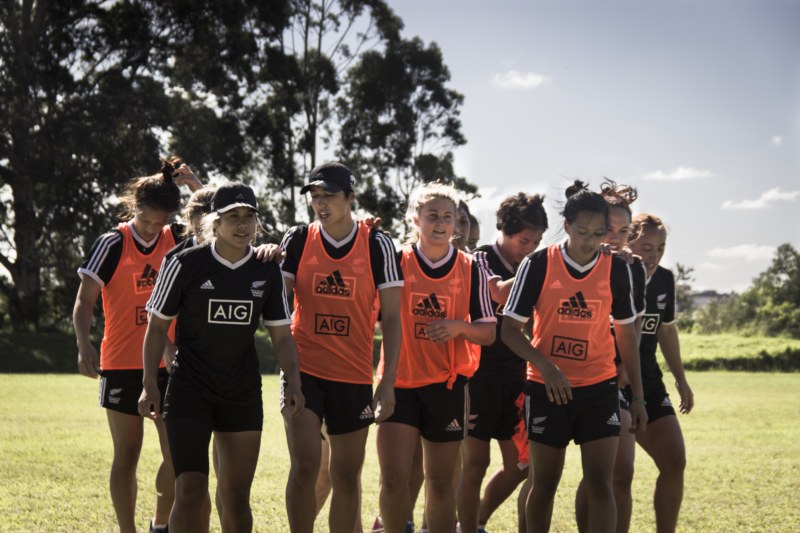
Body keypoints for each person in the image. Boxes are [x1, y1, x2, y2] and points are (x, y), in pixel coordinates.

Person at [139, 182, 304, 533]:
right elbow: (156, 329)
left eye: (249, 217)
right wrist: (149, 384)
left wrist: (294, 380)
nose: (242, 225)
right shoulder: (184, 263)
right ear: (214, 223)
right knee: (189, 488)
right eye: (233, 217)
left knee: (235, 495)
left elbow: (281, 336)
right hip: (189, 392)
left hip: (241, 393)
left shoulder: (266, 270)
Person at [501, 180, 648, 533]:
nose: (591, 240)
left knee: (601, 482)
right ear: (566, 225)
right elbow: (508, 330)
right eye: (582, 231)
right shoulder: (538, 264)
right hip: (548, 389)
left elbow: (627, 335)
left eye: (599, 233)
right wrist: (546, 366)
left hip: (598, 388)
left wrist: (638, 397)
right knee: (545, 482)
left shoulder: (616, 269)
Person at [73, 157, 202, 533]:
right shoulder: (112, 243)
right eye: (147, 219)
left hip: (168, 366)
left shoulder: (176, 237)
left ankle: (160, 522)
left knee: (176, 456)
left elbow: (215, 223)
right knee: (127, 454)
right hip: (121, 363)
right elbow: (85, 300)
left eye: (160, 221)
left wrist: (194, 184)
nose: (153, 228)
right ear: (134, 207)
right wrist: (84, 344)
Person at [280, 162, 403, 533]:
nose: (320, 203)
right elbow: (277, 306)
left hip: (352, 376)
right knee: (304, 466)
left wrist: (388, 382)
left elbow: (394, 320)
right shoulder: (297, 239)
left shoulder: (377, 244)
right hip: (304, 372)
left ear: (349, 198)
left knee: (346, 476)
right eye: (315, 196)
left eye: (329, 195)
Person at [376, 182, 496, 533]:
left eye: (448, 217)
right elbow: (370, 314)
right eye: (432, 216)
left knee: (442, 484)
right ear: (416, 219)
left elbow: (489, 332)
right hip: (398, 384)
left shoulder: (471, 268)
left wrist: (458, 326)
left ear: (458, 224)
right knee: (394, 480)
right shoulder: (396, 260)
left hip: (446, 387)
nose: (441, 223)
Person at [458, 192, 548, 533]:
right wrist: (538, 269)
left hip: (517, 380)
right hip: (477, 379)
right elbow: (496, 293)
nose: (529, 247)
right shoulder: (479, 259)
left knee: (521, 465)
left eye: (537, 242)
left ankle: (477, 520)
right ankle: (464, 527)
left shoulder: (534, 263)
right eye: (524, 240)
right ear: (504, 230)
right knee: (475, 464)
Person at [575, 179, 646, 533]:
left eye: (624, 231)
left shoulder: (632, 269)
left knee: (621, 471)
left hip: (615, 377)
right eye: (609, 229)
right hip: (574, 377)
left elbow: (630, 331)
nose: (615, 238)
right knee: (589, 474)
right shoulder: (570, 259)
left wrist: (629, 380)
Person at [626, 213, 694, 533]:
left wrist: (681, 380)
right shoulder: (614, 275)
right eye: (647, 247)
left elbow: (666, 332)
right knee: (615, 473)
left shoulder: (665, 280)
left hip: (650, 381)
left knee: (674, 461)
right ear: (628, 242)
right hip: (613, 381)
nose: (654, 256)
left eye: (661, 248)